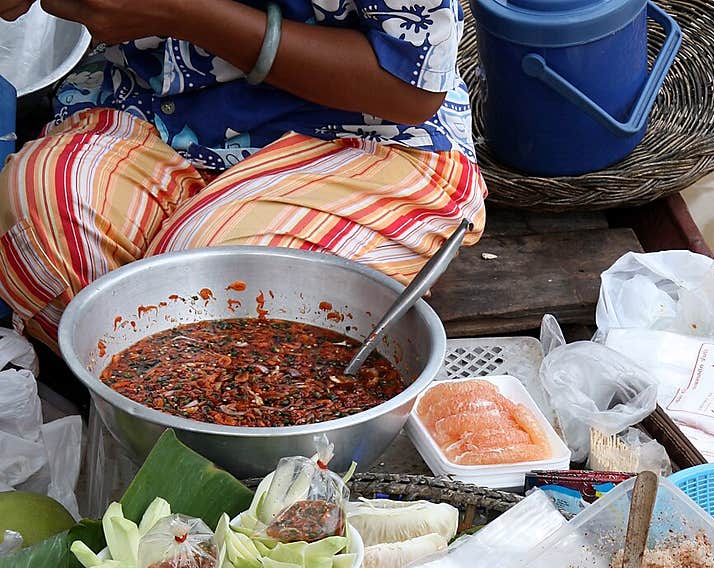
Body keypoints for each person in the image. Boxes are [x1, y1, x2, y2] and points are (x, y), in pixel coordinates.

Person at [0, 0, 485, 347]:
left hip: (361, 132)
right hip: (156, 109)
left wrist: (179, 12)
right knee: (44, 219)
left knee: (208, 289)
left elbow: (407, 88)